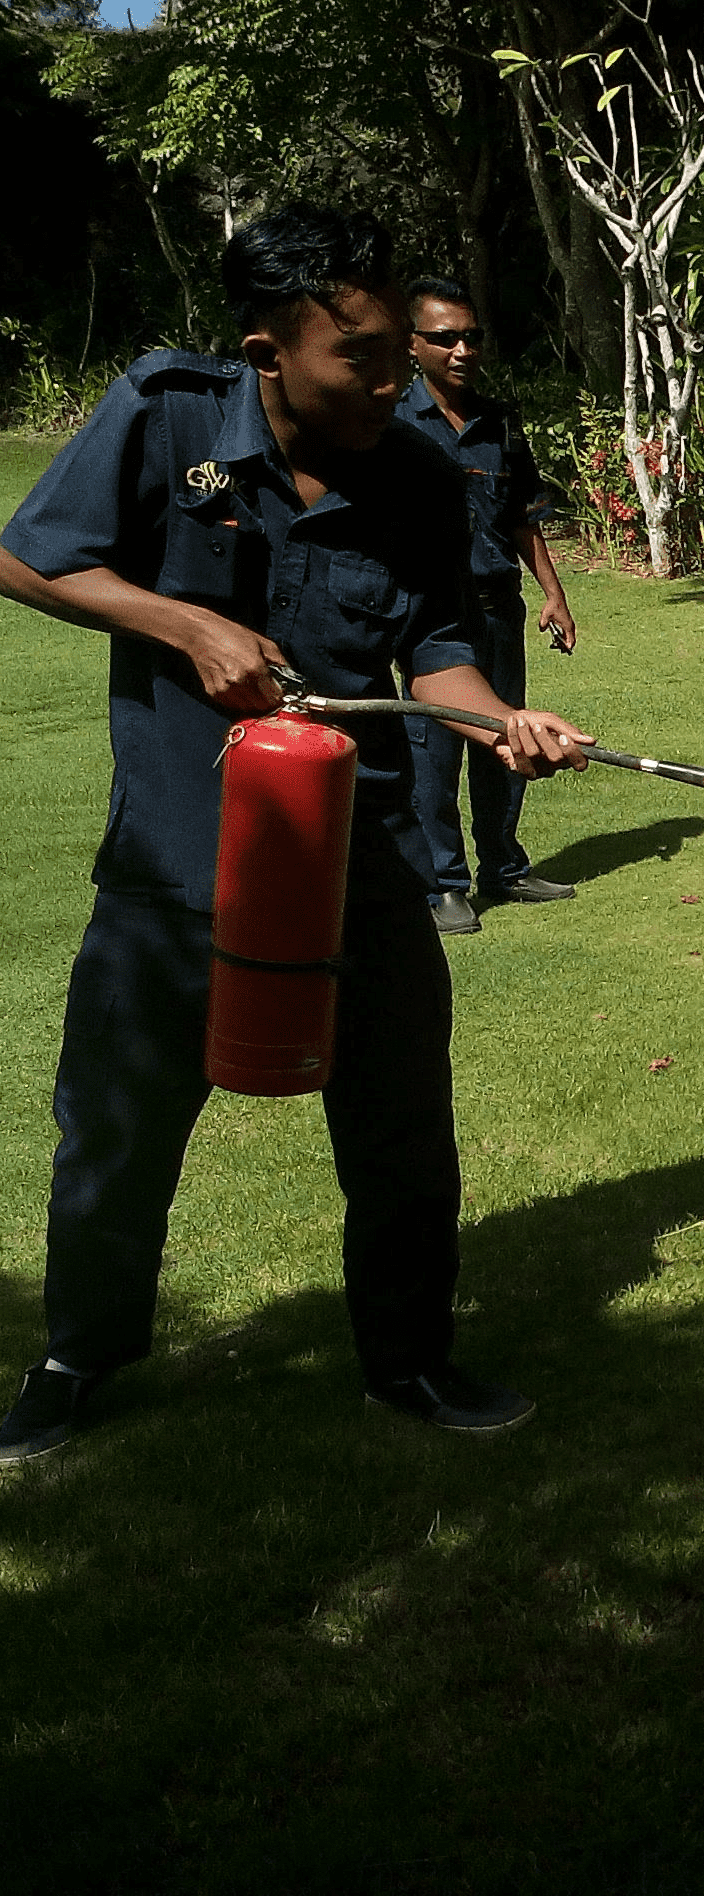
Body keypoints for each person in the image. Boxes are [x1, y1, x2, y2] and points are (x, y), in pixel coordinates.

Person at [0, 204, 594, 1464]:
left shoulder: (417, 474)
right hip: (177, 853)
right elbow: (31, 558)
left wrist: (496, 719)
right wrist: (186, 624)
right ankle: (78, 1358)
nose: (393, 381)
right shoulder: (167, 415)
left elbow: (434, 651)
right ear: (267, 354)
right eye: (361, 357)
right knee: (118, 1123)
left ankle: (409, 1358)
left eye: (396, 352)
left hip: (357, 853)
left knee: (400, 1121)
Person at [403, 278, 578, 937]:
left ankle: (504, 867)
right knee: (434, 751)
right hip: (427, 613)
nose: (462, 350)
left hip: (497, 606)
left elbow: (523, 514)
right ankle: (444, 885)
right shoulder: (391, 421)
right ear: (412, 344)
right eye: (445, 338)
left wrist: (553, 593)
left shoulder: (499, 422)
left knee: (512, 735)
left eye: (471, 338)